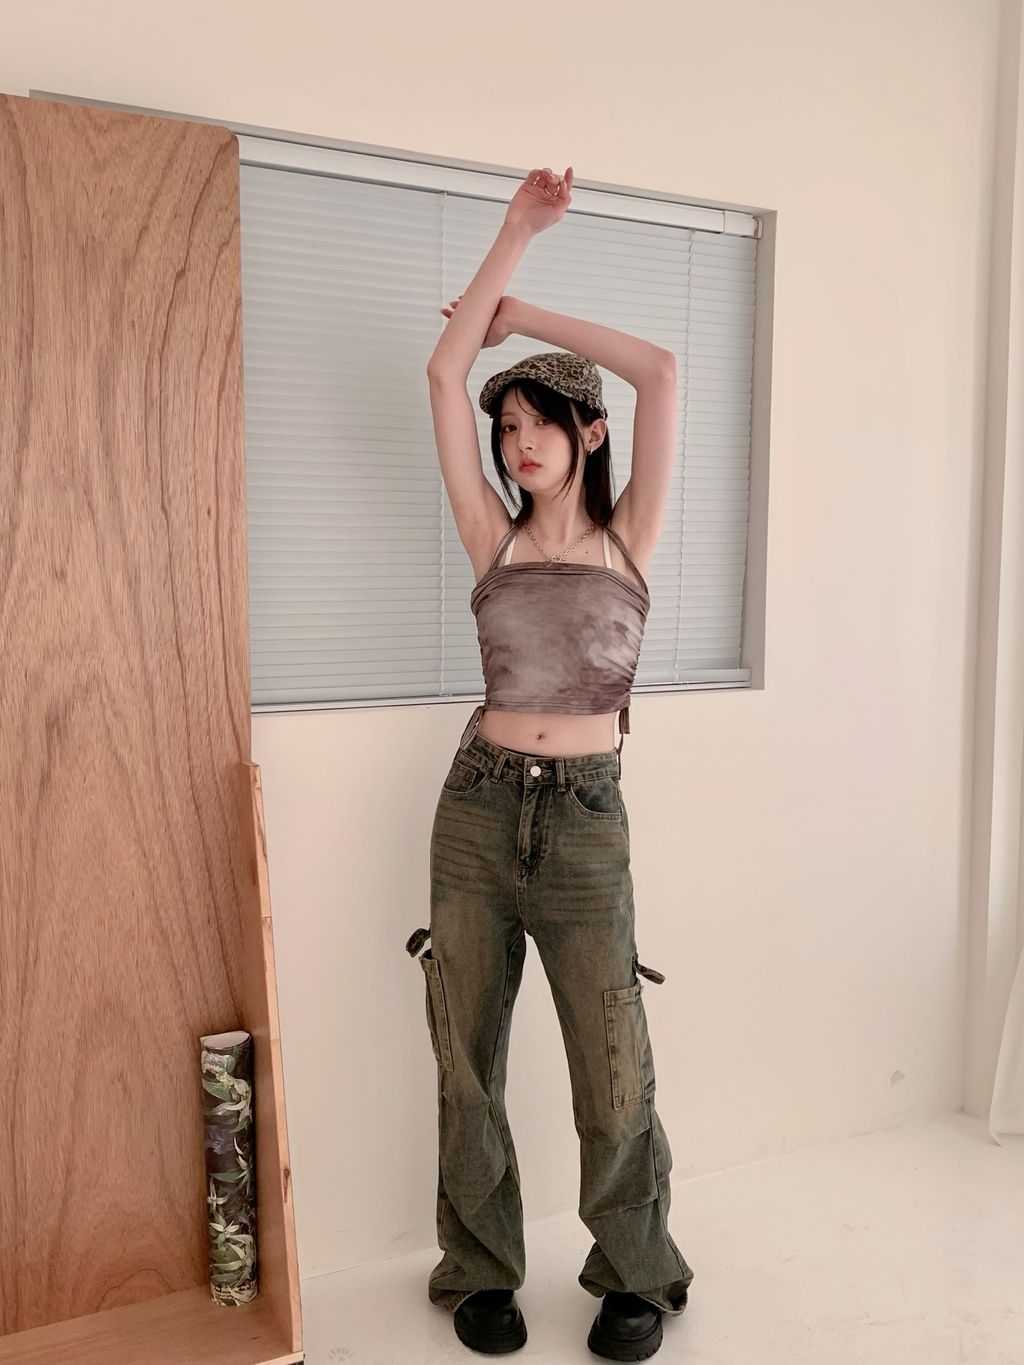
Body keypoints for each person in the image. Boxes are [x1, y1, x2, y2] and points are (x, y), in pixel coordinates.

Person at [407, 164, 694, 1360]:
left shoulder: (629, 540)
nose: (518, 443)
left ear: (589, 434)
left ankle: (635, 1271)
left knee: (611, 1063)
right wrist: (510, 240)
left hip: (583, 822)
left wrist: (521, 320)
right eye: (507, 428)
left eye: (539, 424)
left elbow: (660, 370)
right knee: (465, 1058)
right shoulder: (491, 536)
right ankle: (480, 1268)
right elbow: (442, 373)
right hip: (477, 811)